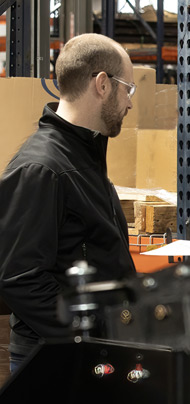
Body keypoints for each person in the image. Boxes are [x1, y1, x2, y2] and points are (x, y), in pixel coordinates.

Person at [0, 34, 136, 373]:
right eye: (128, 89)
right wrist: (87, 337)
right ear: (102, 84)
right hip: (57, 362)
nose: (130, 103)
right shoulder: (42, 168)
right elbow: (20, 277)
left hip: (90, 355)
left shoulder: (83, 158)